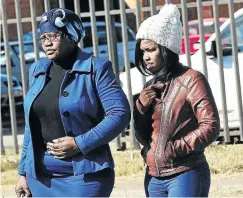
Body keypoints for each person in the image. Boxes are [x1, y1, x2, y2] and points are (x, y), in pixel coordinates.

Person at [15, 8, 130, 197]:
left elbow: (120, 114)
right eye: (43, 37)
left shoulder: (97, 68)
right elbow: (31, 125)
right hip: (41, 177)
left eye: (53, 36)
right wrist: (23, 173)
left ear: (71, 35)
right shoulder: (37, 70)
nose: (47, 43)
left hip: (85, 175)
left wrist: (79, 143)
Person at [133, 3, 220, 197]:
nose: (146, 57)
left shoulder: (191, 79)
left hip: (186, 173)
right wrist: (140, 109)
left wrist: (174, 149)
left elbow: (210, 126)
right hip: (154, 177)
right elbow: (141, 137)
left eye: (151, 50)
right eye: (142, 51)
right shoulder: (150, 86)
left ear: (166, 48)